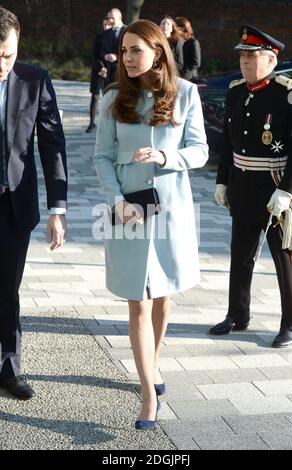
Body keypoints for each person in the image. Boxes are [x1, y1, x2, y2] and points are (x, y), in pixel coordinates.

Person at [94, 19, 208, 429]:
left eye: (135, 50)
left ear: (158, 51)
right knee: (137, 301)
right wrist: (115, 201)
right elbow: (101, 157)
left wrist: (166, 158)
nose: (127, 58)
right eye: (124, 51)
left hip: (170, 210)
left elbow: (199, 151)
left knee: (161, 295)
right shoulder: (112, 98)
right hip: (127, 211)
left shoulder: (187, 95)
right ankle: (147, 392)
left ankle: (154, 366)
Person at [209, 24, 292, 348]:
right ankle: (237, 314)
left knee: (283, 259)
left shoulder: (284, 96)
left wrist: (287, 190)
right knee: (240, 255)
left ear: (271, 60)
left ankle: (289, 323)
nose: (245, 62)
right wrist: (222, 182)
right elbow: (229, 144)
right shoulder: (236, 93)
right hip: (243, 186)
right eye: (242, 56)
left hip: (275, 189)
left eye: (252, 56)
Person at [0, 7, 67, 399]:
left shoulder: (35, 80)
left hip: (13, 204)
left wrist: (58, 209)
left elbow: (53, 145)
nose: (2, 64)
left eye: (8, 55)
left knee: (7, 288)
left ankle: (9, 366)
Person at [86, 18, 112, 133]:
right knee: (95, 96)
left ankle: (107, 124)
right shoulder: (99, 37)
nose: (106, 27)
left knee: (109, 97)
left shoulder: (113, 38)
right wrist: (102, 67)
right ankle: (91, 123)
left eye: (108, 25)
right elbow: (95, 54)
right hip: (98, 70)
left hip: (110, 71)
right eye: (104, 24)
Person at [100, 8, 126, 86]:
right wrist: (105, 56)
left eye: (113, 18)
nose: (110, 21)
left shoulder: (127, 31)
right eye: (109, 18)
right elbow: (101, 50)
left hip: (123, 72)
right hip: (109, 73)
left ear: (120, 18)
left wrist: (117, 57)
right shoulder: (107, 33)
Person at [175, 16, 201, 81]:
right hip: (178, 77)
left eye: (175, 27)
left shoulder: (193, 42)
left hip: (190, 78)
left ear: (183, 28)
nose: (174, 29)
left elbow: (196, 63)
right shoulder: (177, 42)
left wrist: (183, 70)